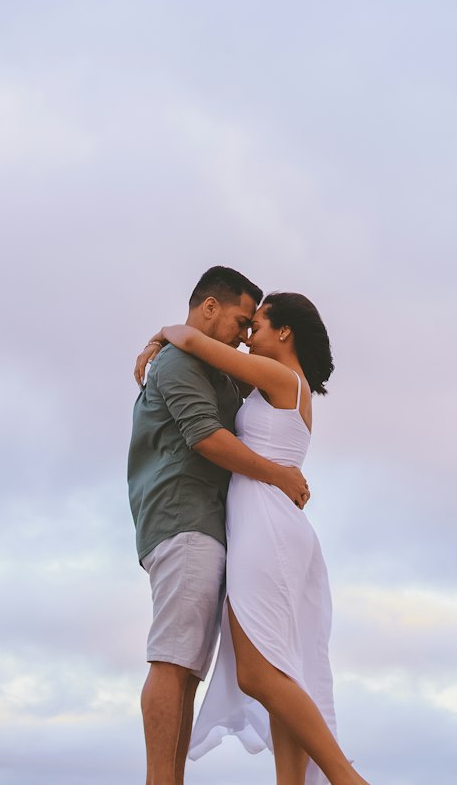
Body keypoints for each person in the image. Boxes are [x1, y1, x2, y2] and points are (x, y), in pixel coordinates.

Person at [136, 292, 372, 785]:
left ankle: (347, 778)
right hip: (273, 526)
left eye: (257, 325)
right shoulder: (275, 383)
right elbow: (203, 355)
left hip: (266, 527)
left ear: (284, 332)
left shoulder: (281, 377)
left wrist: (163, 334)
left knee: (259, 674)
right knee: (281, 671)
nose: (247, 336)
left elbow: (193, 340)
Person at [128, 266, 310, 785]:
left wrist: (159, 332)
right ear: (209, 307)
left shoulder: (212, 366)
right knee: (172, 661)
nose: (244, 333)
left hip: (206, 523)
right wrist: (280, 475)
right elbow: (206, 437)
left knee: (186, 668)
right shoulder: (181, 363)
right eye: (239, 319)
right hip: (184, 519)